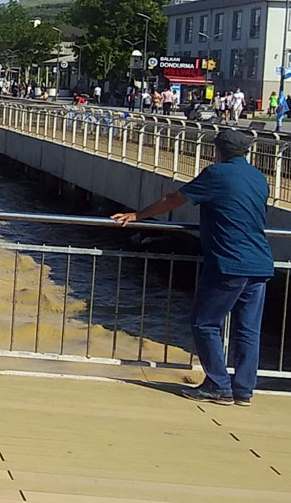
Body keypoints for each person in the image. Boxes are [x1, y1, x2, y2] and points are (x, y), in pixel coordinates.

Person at [111, 129, 272, 406]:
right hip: (260, 263)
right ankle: (243, 390)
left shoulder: (216, 174)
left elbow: (174, 199)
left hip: (229, 262)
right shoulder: (259, 177)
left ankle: (218, 385)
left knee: (205, 322)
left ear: (218, 151)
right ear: (246, 152)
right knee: (247, 330)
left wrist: (138, 215)